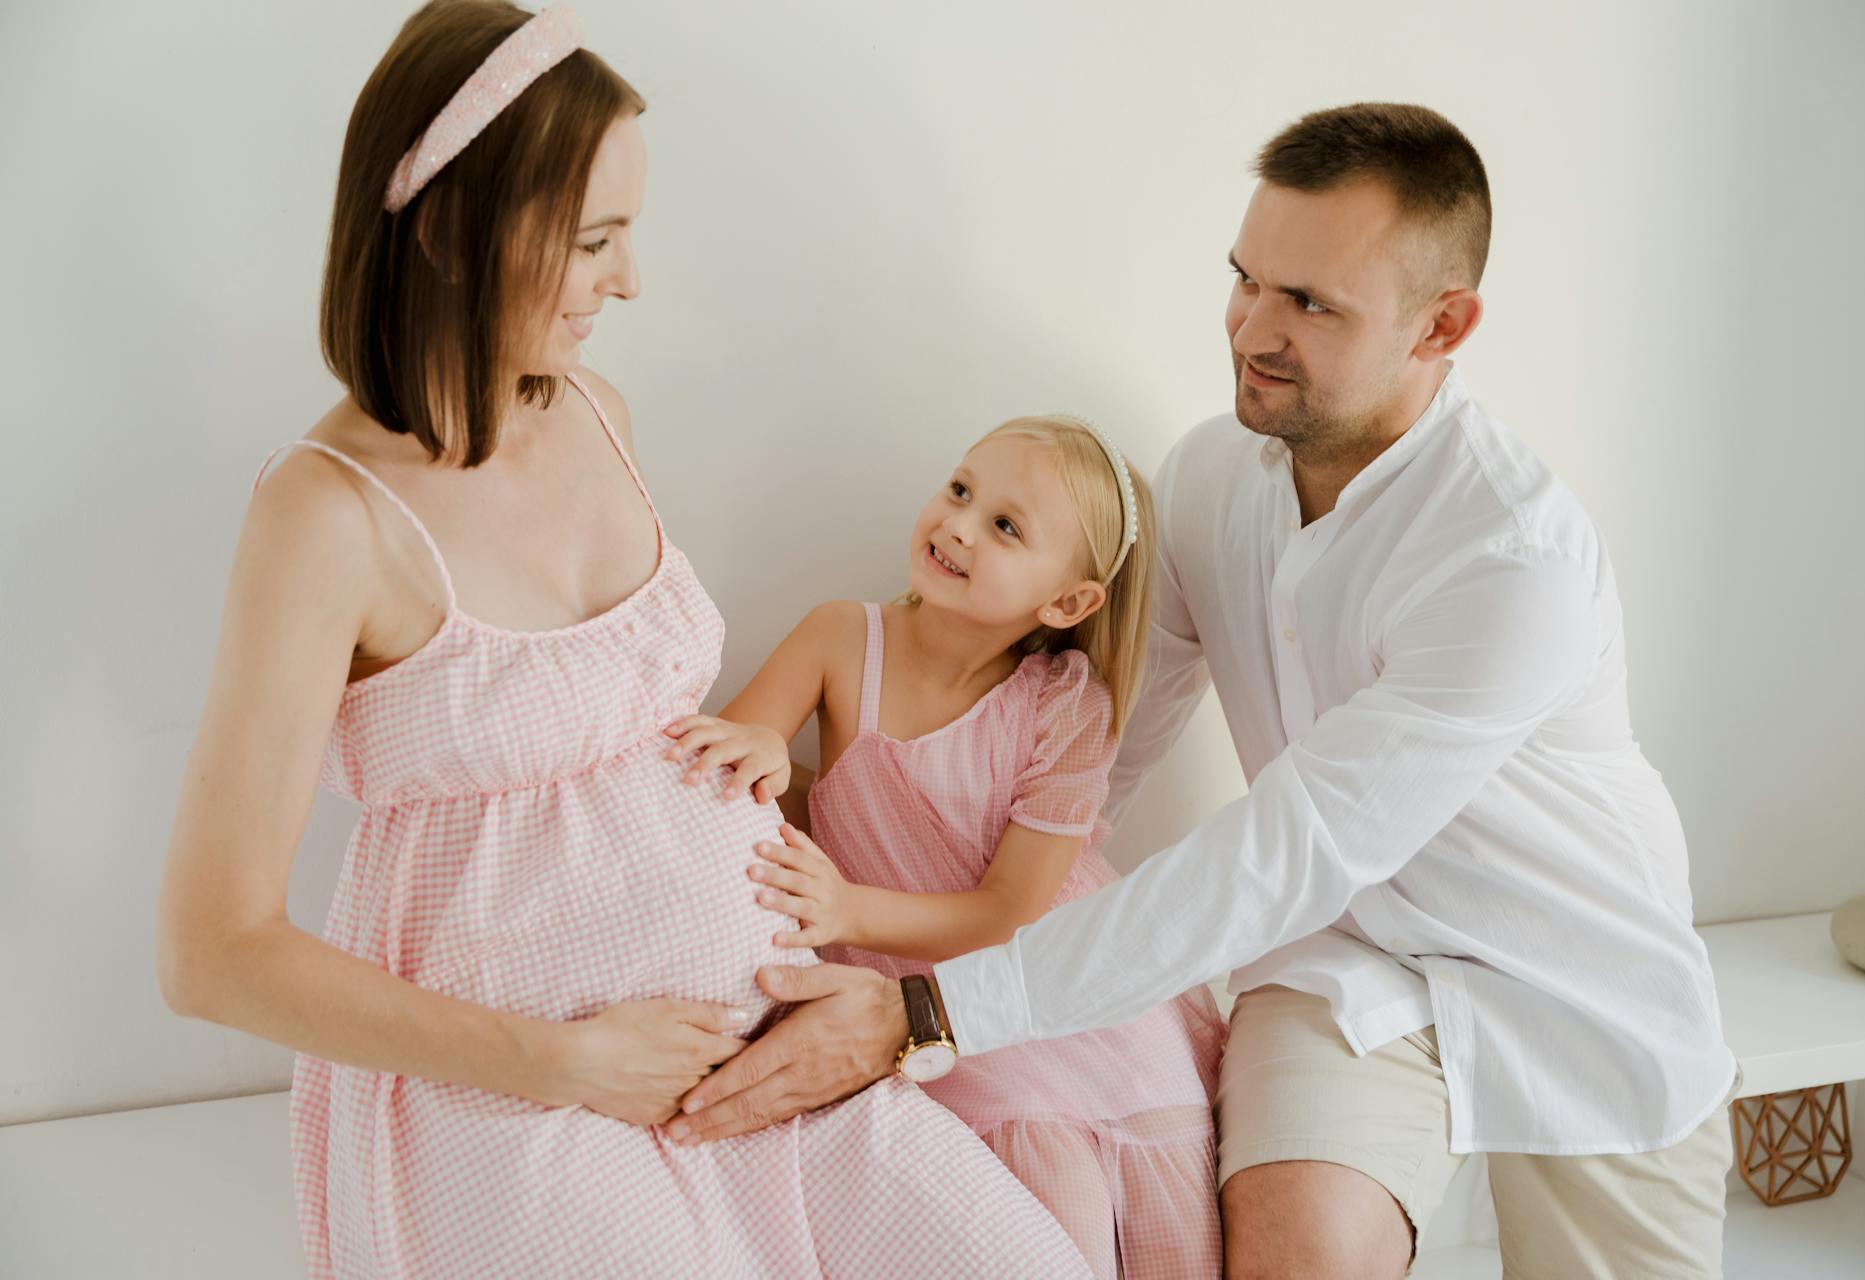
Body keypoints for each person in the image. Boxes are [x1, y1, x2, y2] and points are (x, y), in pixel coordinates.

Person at [669, 102, 1740, 1279]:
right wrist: (871, 856)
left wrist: (936, 1010)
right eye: (1247, 279)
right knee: (1295, 1253)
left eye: (1310, 304)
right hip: (1343, 961)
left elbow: (1293, 842)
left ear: (1445, 324)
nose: (1251, 328)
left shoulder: (1509, 559)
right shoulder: (1212, 480)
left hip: (1572, 978)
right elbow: (1092, 768)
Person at [154, 3, 1089, 1275]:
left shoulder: (598, 409)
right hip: (529, 1093)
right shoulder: (325, 516)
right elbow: (213, 953)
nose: (629, 280)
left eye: (628, 234)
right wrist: (567, 1061)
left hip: (768, 1047)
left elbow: (627, 737)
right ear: (444, 228)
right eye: (594, 239)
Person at [662, 414, 1225, 1276]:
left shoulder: (1068, 706)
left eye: (1006, 526)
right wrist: (773, 750)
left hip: (1067, 998)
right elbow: (722, 763)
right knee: (1057, 1235)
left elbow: (1007, 912)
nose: (959, 524)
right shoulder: (842, 638)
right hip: (953, 1025)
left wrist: (846, 907)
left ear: (1068, 602)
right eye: (961, 490)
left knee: (1173, 1249)